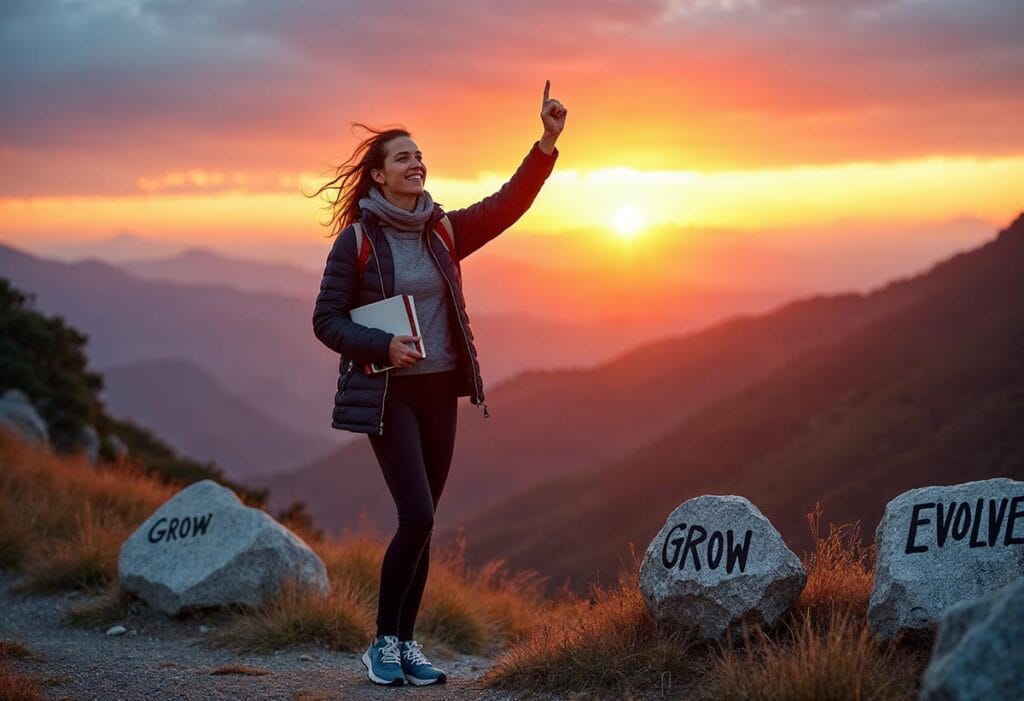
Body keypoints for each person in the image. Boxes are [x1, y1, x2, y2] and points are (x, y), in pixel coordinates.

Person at [310, 81, 566, 686]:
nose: (416, 163)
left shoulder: (442, 232)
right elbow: (325, 320)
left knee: (425, 524)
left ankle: (404, 643)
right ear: (377, 177)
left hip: (438, 393)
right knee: (417, 516)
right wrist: (382, 344)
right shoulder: (359, 241)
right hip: (388, 396)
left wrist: (547, 143)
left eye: (420, 155)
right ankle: (380, 645)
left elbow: (507, 205)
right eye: (402, 157)